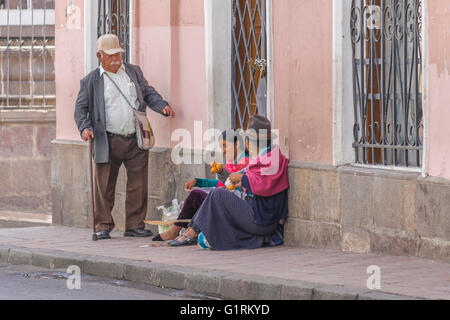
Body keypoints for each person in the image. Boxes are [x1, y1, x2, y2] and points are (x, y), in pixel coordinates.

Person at [74, 34, 175, 240]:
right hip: (107, 139)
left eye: (118, 55)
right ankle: (102, 225)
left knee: (138, 184)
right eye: (110, 56)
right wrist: (85, 128)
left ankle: (135, 225)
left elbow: (147, 92)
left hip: (136, 137)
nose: (116, 60)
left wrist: (161, 105)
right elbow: (80, 109)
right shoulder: (91, 81)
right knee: (104, 186)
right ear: (99, 56)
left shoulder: (133, 72)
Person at [169, 115, 289, 250]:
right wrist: (235, 178)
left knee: (217, 194)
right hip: (262, 218)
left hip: (262, 221)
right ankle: (191, 230)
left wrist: (243, 179)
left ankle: (191, 232)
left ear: (249, 142)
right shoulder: (267, 158)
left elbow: (263, 185)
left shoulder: (268, 159)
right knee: (215, 195)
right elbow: (254, 181)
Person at [152, 129, 249, 242]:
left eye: (225, 146)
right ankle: (184, 230)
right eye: (221, 147)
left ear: (237, 144)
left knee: (196, 195)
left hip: (233, 204)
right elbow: (220, 183)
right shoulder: (233, 162)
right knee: (197, 195)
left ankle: (177, 230)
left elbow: (235, 187)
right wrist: (198, 182)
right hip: (224, 199)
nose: (223, 151)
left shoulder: (244, 162)